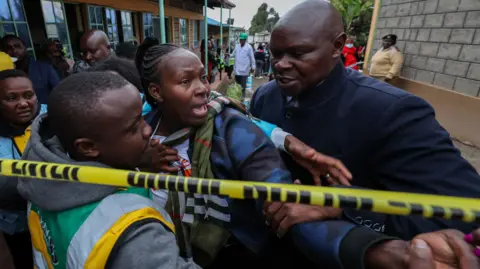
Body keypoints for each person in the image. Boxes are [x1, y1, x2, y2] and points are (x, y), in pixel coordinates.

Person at [250, 1, 480, 268]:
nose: (280, 65)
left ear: (338, 46)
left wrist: (343, 205)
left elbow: (465, 211)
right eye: (276, 54)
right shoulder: (266, 96)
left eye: (298, 54)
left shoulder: (393, 111)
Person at [134, 40, 353, 269]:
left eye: (203, 77)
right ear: (156, 91)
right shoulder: (139, 128)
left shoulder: (227, 128)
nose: (203, 89)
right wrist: (140, 163)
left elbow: (273, 187)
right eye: (185, 81)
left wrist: (359, 246)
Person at [17, 71, 200, 269]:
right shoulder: (135, 234)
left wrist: (135, 167)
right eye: (132, 128)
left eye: (142, 117)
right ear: (88, 148)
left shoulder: (41, 176)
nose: (147, 130)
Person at [0, 64, 47, 269]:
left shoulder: (53, 119)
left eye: (29, 95)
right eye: (11, 99)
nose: (23, 104)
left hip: (51, 219)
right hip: (15, 223)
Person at [1, 35, 60, 104]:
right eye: (8, 48)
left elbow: (59, 93)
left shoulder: (45, 68)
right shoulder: (4, 73)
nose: (14, 50)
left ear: (25, 47)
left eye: (17, 46)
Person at [231, 33, 255, 100]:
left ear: (245, 40)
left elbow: (252, 58)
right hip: (237, 69)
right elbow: (233, 54)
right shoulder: (237, 46)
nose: (241, 41)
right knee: (237, 85)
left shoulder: (249, 47)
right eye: (240, 39)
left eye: (242, 39)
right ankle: (238, 97)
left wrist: (253, 67)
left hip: (244, 70)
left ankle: (242, 98)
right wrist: (229, 55)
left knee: (243, 86)